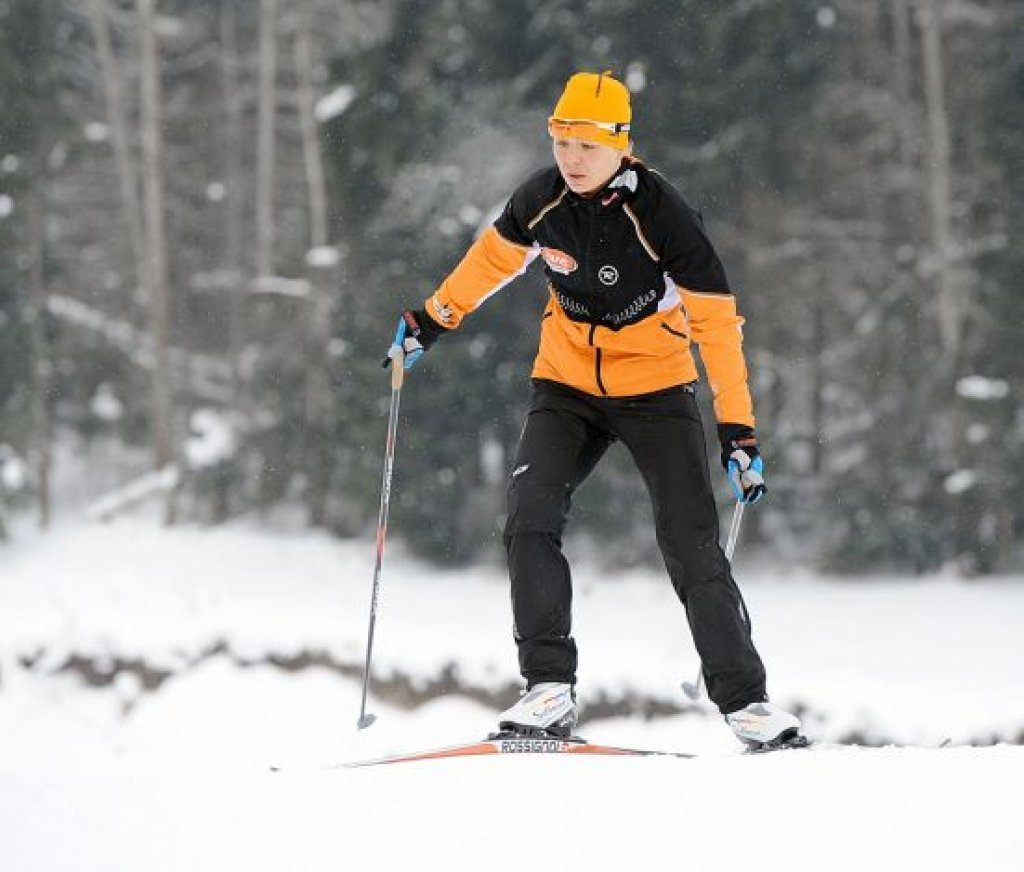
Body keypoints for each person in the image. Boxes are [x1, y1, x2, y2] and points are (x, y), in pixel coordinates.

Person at [386, 71, 803, 750]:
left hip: (656, 391)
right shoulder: (542, 198)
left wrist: (739, 432)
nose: (571, 158)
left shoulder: (664, 217)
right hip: (567, 386)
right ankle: (548, 689)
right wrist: (430, 320)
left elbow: (718, 330)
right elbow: (491, 262)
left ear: (622, 146)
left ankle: (748, 704)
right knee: (529, 517)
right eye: (561, 141)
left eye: (586, 144)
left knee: (689, 542)